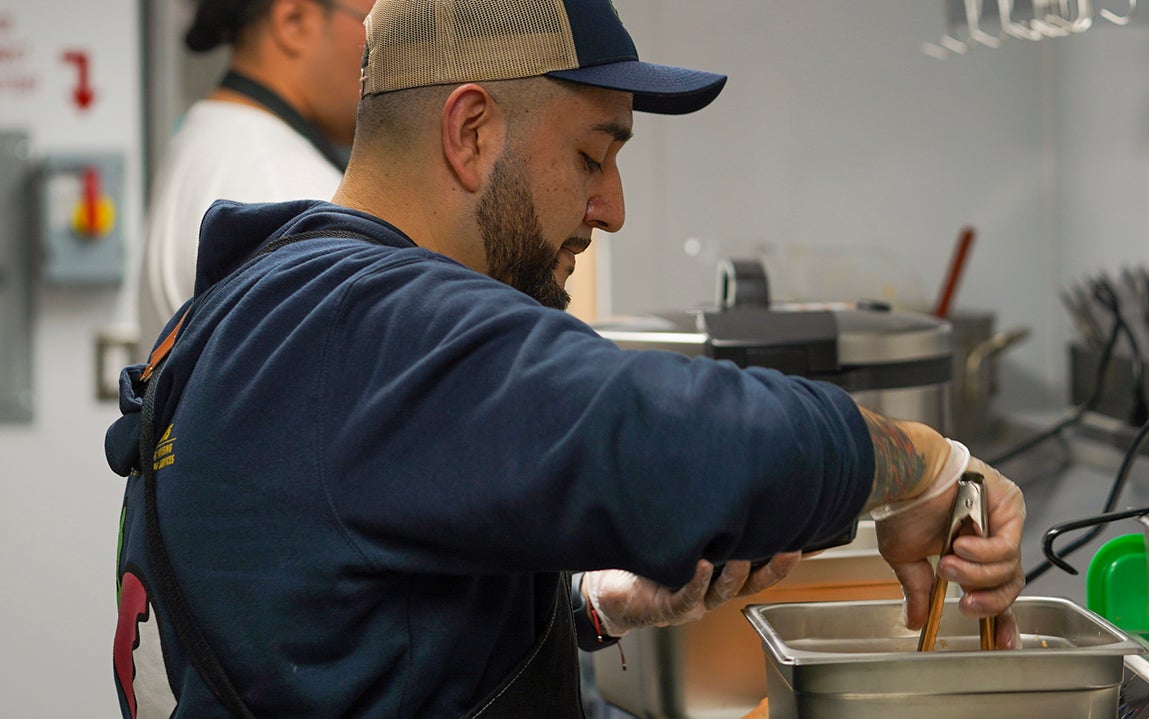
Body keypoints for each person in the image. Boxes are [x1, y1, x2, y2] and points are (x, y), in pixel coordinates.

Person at [106, 1, 1027, 717]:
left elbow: (340, 610)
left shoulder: (268, 300)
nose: (612, 206)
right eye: (593, 155)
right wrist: (922, 465)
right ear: (471, 133)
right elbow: (686, 437)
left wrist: (596, 605)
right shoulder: (375, 321)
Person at [138, 0, 374, 348]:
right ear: (294, 20)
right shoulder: (282, 193)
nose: (396, 52)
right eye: (377, 25)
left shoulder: (216, 139)